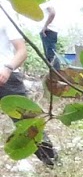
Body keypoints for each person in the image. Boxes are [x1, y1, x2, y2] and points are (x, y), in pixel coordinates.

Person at [0, 32, 59, 167]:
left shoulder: (4, 15)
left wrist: (8, 69)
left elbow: (22, 51)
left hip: (6, 78)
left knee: (27, 124)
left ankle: (52, 162)